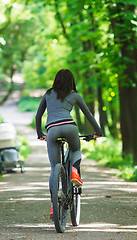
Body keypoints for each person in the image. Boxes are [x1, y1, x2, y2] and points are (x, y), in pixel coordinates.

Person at [35, 69, 102, 219]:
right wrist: (98, 131)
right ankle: (74, 171)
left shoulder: (48, 94)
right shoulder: (74, 95)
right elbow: (88, 114)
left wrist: (40, 134)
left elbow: (38, 115)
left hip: (52, 130)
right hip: (70, 127)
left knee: (54, 168)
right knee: (76, 149)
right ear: (71, 80)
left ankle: (54, 205)